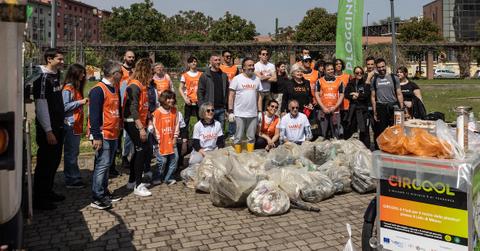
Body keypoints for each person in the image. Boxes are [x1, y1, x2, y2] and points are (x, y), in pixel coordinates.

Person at [33, 48, 65, 210]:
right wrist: (48, 130)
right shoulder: (42, 77)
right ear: (49, 59)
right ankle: (39, 199)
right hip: (49, 129)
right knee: (45, 164)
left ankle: (48, 191)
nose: (62, 62)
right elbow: (41, 105)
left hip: (58, 126)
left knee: (54, 162)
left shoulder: (55, 76)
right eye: (59, 59)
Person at [88, 60, 123, 210]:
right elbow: (94, 115)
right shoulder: (98, 90)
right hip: (103, 133)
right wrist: (96, 136)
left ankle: (104, 191)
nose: (122, 75)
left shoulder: (114, 88)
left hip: (113, 133)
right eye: (120, 72)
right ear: (114, 74)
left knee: (107, 164)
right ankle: (97, 197)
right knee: (102, 165)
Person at [123, 58, 153, 197]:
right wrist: (141, 128)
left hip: (139, 122)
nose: (151, 74)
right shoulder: (134, 86)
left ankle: (132, 181)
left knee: (140, 150)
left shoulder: (142, 85)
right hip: (132, 122)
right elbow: (133, 108)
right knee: (142, 149)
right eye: (150, 71)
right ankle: (138, 185)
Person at [228, 57, 263, 153]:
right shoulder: (237, 79)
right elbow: (231, 96)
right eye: (249, 65)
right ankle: (238, 157)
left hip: (253, 114)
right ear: (243, 67)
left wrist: (259, 112)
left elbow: (259, 96)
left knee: (251, 137)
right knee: (238, 137)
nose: (252, 67)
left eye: (253, 65)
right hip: (239, 113)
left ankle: (250, 156)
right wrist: (230, 111)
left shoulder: (257, 79)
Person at [368, 58, 404, 149]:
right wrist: (375, 111)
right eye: (379, 67)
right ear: (376, 68)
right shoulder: (374, 80)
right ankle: (380, 150)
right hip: (381, 107)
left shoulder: (394, 77)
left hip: (393, 106)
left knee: (395, 130)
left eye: (383, 66)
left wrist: (402, 108)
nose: (381, 69)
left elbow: (399, 93)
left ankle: (395, 149)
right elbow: (373, 97)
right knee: (380, 131)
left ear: (386, 66)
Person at [62, 63, 88, 189]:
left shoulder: (76, 88)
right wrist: (80, 102)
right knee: (71, 153)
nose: (83, 75)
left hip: (76, 124)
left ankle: (74, 176)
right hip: (70, 124)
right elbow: (64, 106)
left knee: (74, 152)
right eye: (81, 73)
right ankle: (71, 179)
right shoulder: (68, 88)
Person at [151, 90, 180, 186]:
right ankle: (157, 177)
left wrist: (175, 137)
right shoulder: (157, 112)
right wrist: (159, 140)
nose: (171, 100)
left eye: (172, 98)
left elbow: (176, 125)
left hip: (172, 140)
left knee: (174, 159)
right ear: (163, 99)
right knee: (162, 161)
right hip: (161, 141)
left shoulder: (175, 111)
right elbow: (155, 128)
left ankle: (168, 178)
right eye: (168, 98)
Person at [197, 54, 229, 128]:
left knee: (220, 131)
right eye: (215, 60)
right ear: (210, 62)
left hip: (221, 108)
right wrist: (202, 107)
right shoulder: (205, 75)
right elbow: (200, 92)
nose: (218, 62)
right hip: (210, 109)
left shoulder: (224, 75)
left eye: (219, 60)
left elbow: (227, 92)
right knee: (209, 130)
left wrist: (226, 107)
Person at [315, 62, 345, 139]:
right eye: (328, 70)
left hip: (335, 111)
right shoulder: (319, 81)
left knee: (336, 134)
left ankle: (335, 150)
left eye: (332, 69)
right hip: (323, 111)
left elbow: (341, 95)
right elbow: (317, 95)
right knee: (323, 134)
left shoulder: (340, 81)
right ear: (324, 71)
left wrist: (335, 107)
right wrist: (323, 108)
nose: (331, 71)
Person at [345, 67, 371, 148]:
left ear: (363, 73)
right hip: (353, 110)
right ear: (354, 74)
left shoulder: (365, 82)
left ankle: (366, 148)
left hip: (363, 110)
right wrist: (351, 96)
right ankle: (353, 148)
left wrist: (358, 95)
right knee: (352, 130)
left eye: (361, 72)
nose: (359, 74)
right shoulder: (351, 82)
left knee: (364, 131)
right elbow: (346, 94)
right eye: (357, 73)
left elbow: (367, 95)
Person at [119, 50, 136, 174]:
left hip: (131, 104)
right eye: (129, 57)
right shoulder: (120, 70)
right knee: (120, 134)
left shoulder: (134, 70)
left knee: (128, 134)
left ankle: (126, 156)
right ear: (124, 57)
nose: (131, 59)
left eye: (133, 57)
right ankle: (121, 156)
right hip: (120, 103)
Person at [179, 56, 202, 134]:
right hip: (189, 101)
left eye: (195, 61)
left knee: (201, 119)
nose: (194, 63)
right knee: (186, 120)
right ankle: (185, 137)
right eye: (192, 62)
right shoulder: (185, 75)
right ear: (188, 64)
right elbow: (180, 88)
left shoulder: (201, 74)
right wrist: (185, 98)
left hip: (199, 101)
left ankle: (201, 135)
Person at [219, 50, 239, 140]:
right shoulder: (219, 67)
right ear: (223, 57)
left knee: (232, 114)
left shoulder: (235, 68)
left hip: (233, 94)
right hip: (222, 94)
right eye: (227, 56)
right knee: (222, 115)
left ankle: (232, 133)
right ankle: (220, 133)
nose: (228, 58)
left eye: (230, 56)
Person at [334, 58, 352, 139]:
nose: (338, 65)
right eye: (337, 64)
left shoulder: (347, 76)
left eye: (340, 64)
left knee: (346, 126)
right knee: (336, 127)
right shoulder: (331, 77)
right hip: (335, 106)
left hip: (346, 105)